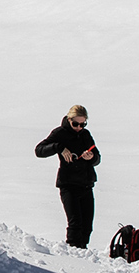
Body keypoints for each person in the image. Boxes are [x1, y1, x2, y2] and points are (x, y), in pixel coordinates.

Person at [35, 106, 101, 249]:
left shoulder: (85, 135)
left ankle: (83, 252)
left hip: (86, 184)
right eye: (75, 124)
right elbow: (39, 150)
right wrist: (58, 147)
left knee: (87, 226)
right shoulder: (60, 133)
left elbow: (97, 158)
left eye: (82, 124)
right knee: (75, 224)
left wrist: (91, 157)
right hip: (68, 185)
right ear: (69, 120)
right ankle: (73, 253)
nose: (79, 127)